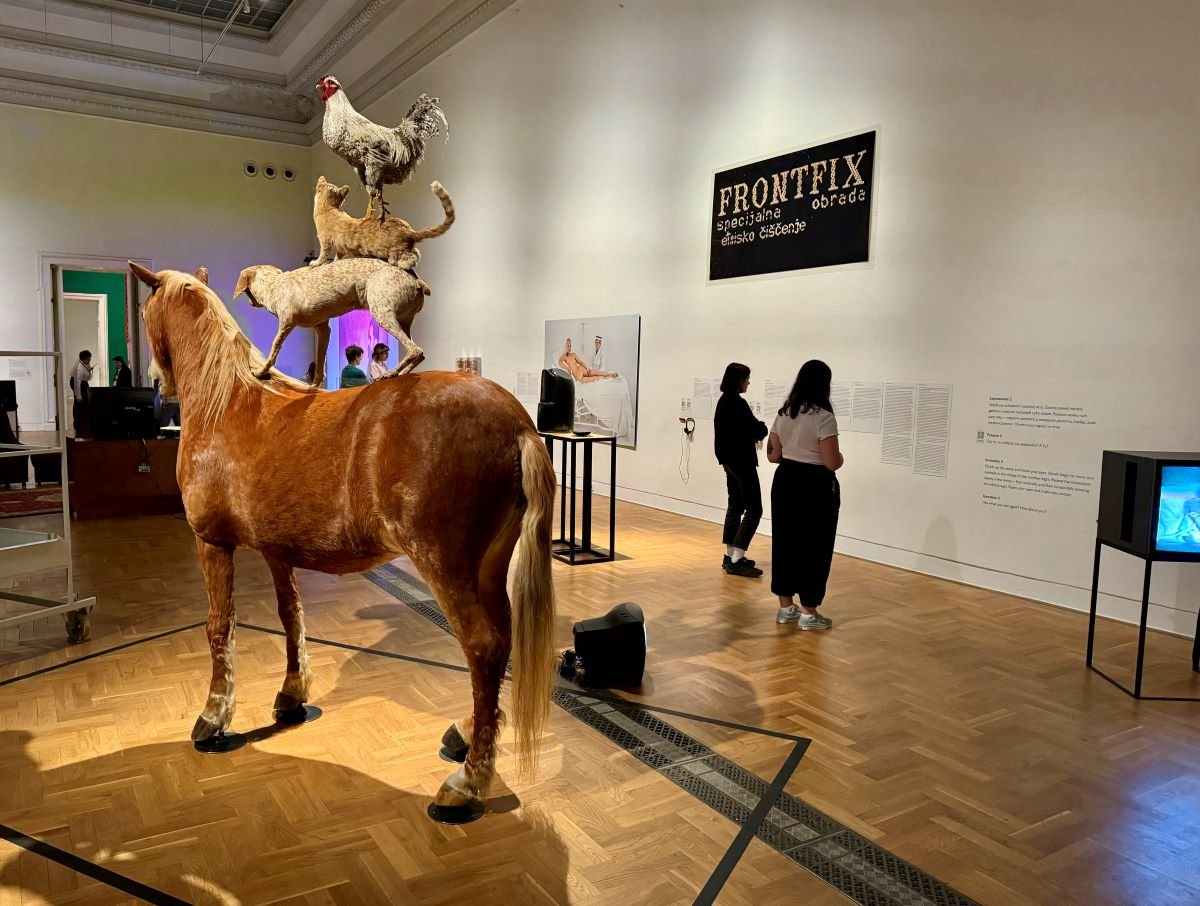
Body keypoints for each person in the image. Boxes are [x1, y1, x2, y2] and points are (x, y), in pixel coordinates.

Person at [766, 360, 843, 631]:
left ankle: (786, 608)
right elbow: (831, 462)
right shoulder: (824, 417)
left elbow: (773, 455)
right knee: (816, 546)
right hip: (815, 485)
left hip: (786, 480)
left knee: (784, 542)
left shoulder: (784, 413)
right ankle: (809, 613)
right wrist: (841, 457)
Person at [713, 362, 768, 577]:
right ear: (739, 381)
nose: (748, 383)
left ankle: (730, 555)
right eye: (747, 379)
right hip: (742, 462)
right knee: (755, 509)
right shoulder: (737, 403)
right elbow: (756, 429)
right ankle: (736, 559)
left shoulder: (723, 402)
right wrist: (762, 427)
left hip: (729, 462)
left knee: (735, 506)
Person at [69, 350, 93, 436]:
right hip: (77, 382)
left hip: (83, 382)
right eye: (88, 359)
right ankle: (78, 422)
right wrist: (78, 396)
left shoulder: (84, 362)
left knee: (84, 402)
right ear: (83, 359)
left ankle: (83, 421)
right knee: (79, 402)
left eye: (90, 359)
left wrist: (89, 370)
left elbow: (88, 374)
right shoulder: (79, 368)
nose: (89, 361)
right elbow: (77, 383)